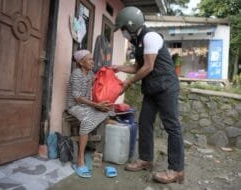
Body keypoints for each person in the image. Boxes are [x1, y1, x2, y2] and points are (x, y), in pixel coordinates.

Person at [112, 6, 184, 184]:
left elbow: (148, 66)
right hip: (152, 88)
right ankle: (145, 159)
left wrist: (128, 82)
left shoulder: (150, 36)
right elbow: (137, 67)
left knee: (172, 126)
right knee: (144, 122)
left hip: (166, 87)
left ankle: (176, 170)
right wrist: (118, 68)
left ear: (130, 25)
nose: (123, 33)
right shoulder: (138, 42)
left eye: (123, 29)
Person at [67, 50, 113, 178]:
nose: (92, 62)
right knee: (87, 121)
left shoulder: (90, 73)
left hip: (87, 105)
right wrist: (96, 105)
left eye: (92, 59)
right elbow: (77, 97)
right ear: (81, 62)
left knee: (108, 110)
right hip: (75, 106)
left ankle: (95, 150)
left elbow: (97, 82)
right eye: (89, 59)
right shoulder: (76, 74)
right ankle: (80, 159)